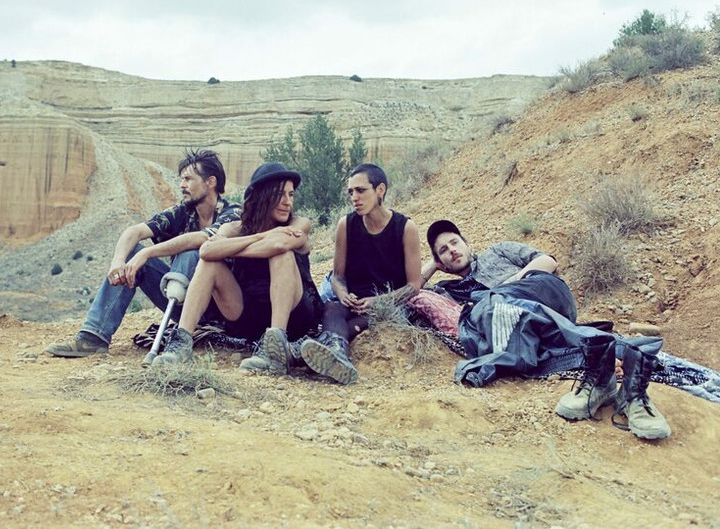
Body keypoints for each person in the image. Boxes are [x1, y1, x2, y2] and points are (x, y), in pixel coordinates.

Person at [423, 219, 671, 440]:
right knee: (521, 332)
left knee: (491, 306)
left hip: (543, 289)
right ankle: (622, 357)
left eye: (454, 242)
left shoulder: (498, 251)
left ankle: (608, 356)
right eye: (443, 251)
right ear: (441, 263)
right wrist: (432, 265)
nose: (452, 250)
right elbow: (410, 290)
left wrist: (511, 283)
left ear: (466, 243)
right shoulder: (449, 289)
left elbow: (548, 261)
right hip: (519, 321)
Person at [44, 149, 240, 357]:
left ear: (210, 182)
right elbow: (135, 231)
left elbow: (202, 239)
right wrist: (118, 262)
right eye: (181, 179)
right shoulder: (183, 212)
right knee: (132, 253)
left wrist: (148, 253)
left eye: (188, 179)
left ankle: (180, 341)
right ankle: (93, 338)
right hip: (181, 300)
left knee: (191, 253)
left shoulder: (232, 213)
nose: (182, 185)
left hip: (222, 310)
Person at [153, 162, 321, 373]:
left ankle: (274, 350)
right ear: (262, 196)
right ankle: (181, 343)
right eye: (280, 195)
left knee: (282, 254)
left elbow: (279, 244)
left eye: (291, 195)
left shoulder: (298, 224)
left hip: (294, 318)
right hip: (248, 316)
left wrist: (230, 249)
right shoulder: (234, 228)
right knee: (209, 264)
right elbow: (206, 251)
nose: (288, 202)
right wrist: (260, 237)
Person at [303, 163, 423, 385]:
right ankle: (338, 356)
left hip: (386, 304)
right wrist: (343, 295)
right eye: (351, 192)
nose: (354, 198)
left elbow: (414, 285)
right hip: (353, 301)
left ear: (380, 190)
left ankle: (308, 354)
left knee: (359, 321)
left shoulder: (405, 228)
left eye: (360, 190)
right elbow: (337, 276)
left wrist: (378, 301)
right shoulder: (346, 225)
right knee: (331, 308)